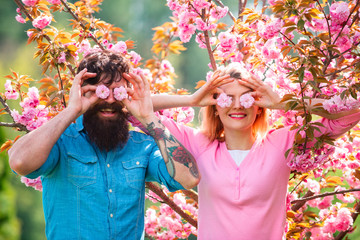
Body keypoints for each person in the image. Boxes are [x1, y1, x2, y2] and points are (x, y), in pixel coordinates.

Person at [125, 62, 360, 239]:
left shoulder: (283, 143)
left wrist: (284, 102)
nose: (237, 105)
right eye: (227, 99)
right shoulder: (196, 144)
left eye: (246, 99)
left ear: (259, 107)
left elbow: (351, 112)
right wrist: (192, 99)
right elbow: (130, 108)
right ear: (215, 107)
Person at [8, 50, 200, 240]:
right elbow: (19, 161)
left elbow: (189, 178)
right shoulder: (61, 143)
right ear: (83, 91)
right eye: (100, 91)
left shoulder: (142, 147)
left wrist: (149, 118)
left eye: (118, 92)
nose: (109, 99)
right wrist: (72, 110)